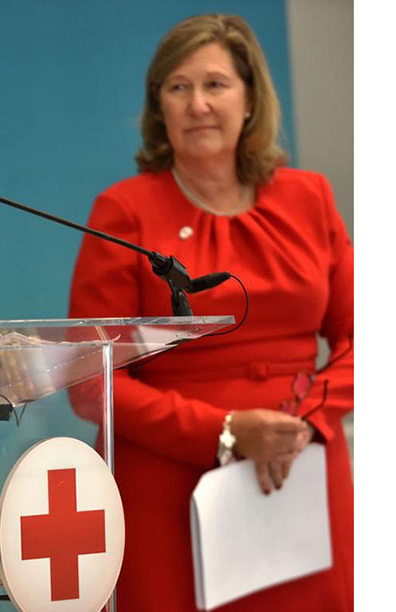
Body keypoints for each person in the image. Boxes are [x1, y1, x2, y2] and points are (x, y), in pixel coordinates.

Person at [68, 14, 352, 611]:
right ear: (158, 106)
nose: (198, 104)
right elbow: (92, 381)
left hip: (299, 465)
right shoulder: (123, 210)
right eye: (178, 87)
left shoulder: (310, 197)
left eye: (216, 84)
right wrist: (223, 433)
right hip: (168, 481)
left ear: (250, 99)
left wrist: (301, 422)